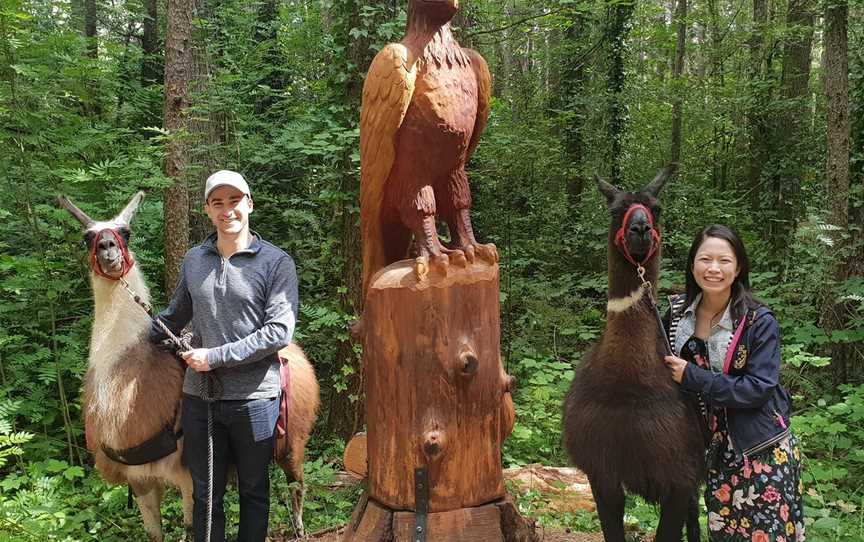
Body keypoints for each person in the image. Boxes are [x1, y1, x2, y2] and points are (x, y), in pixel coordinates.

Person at [150, 170, 298, 542]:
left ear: (249, 204)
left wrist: (214, 356)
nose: (227, 209)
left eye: (234, 200)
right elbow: (176, 315)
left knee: (253, 490)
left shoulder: (276, 263)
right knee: (205, 494)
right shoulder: (194, 261)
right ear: (207, 210)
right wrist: (140, 332)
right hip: (200, 399)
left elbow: (279, 331)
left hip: (254, 400)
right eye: (218, 202)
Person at [663, 224, 804, 542]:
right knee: (724, 534)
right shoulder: (675, 316)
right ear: (693, 264)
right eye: (705, 259)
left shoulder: (758, 322)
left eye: (724, 260)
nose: (714, 268)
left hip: (759, 450)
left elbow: (758, 389)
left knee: (766, 534)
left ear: (738, 267)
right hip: (712, 450)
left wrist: (693, 376)